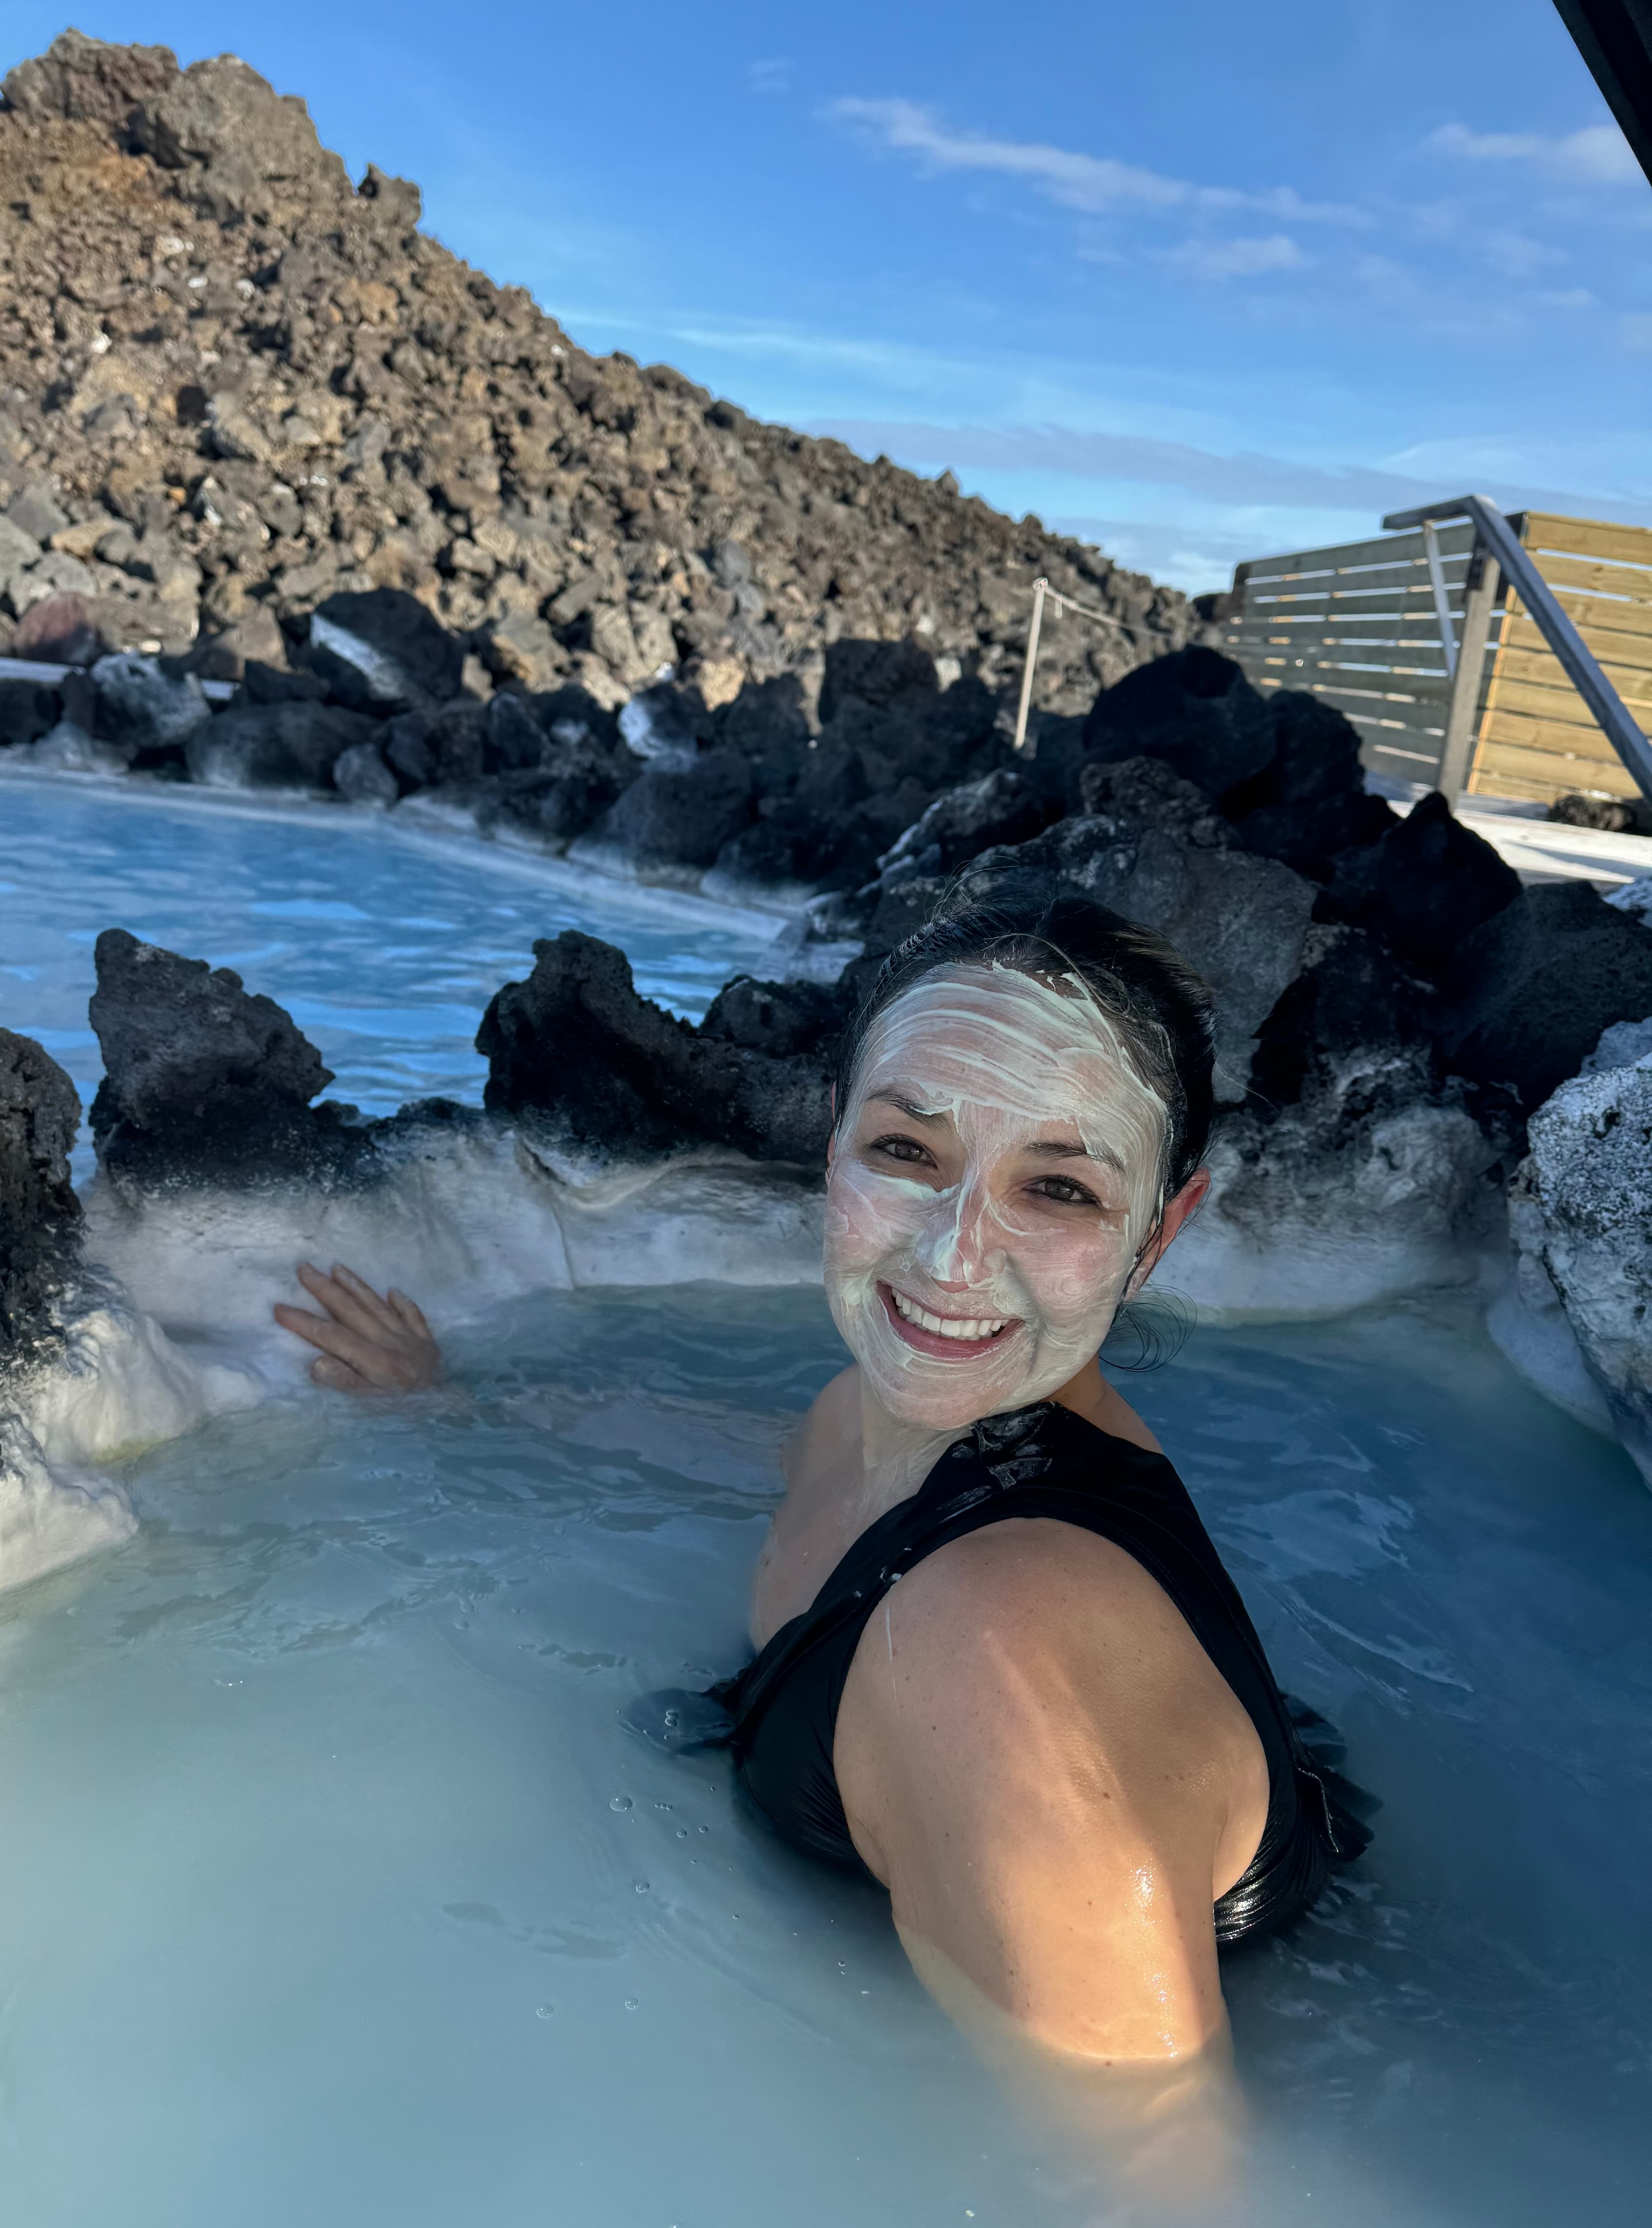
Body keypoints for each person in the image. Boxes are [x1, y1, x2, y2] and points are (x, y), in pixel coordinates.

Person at [272, 889, 1367, 2077]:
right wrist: (461, 1405)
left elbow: (1152, 2211)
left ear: (1159, 1232)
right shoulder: (896, 1411)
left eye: (1060, 1188)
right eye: (909, 1151)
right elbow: (772, 1456)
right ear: (835, 1139)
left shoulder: (1000, 1653)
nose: (953, 1259)